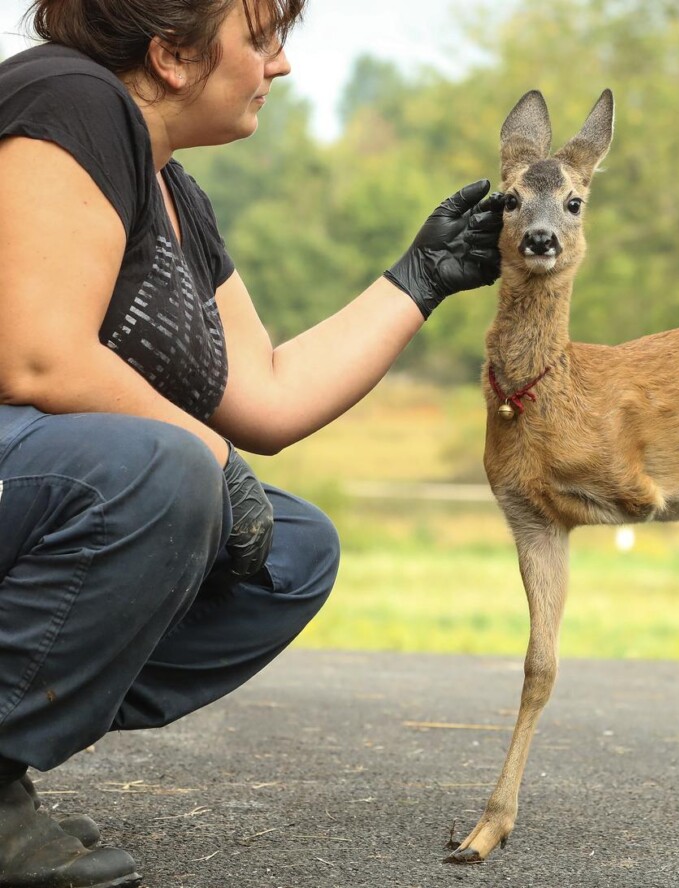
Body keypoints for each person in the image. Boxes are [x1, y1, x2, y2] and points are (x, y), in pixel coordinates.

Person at [0, 0, 504, 884]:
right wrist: (207, 457)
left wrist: (419, 279)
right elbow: (37, 359)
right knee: (164, 472)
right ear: (171, 55)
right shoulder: (69, 99)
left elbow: (264, 396)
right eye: (262, 38)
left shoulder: (174, 191)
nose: (280, 65)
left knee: (290, 553)